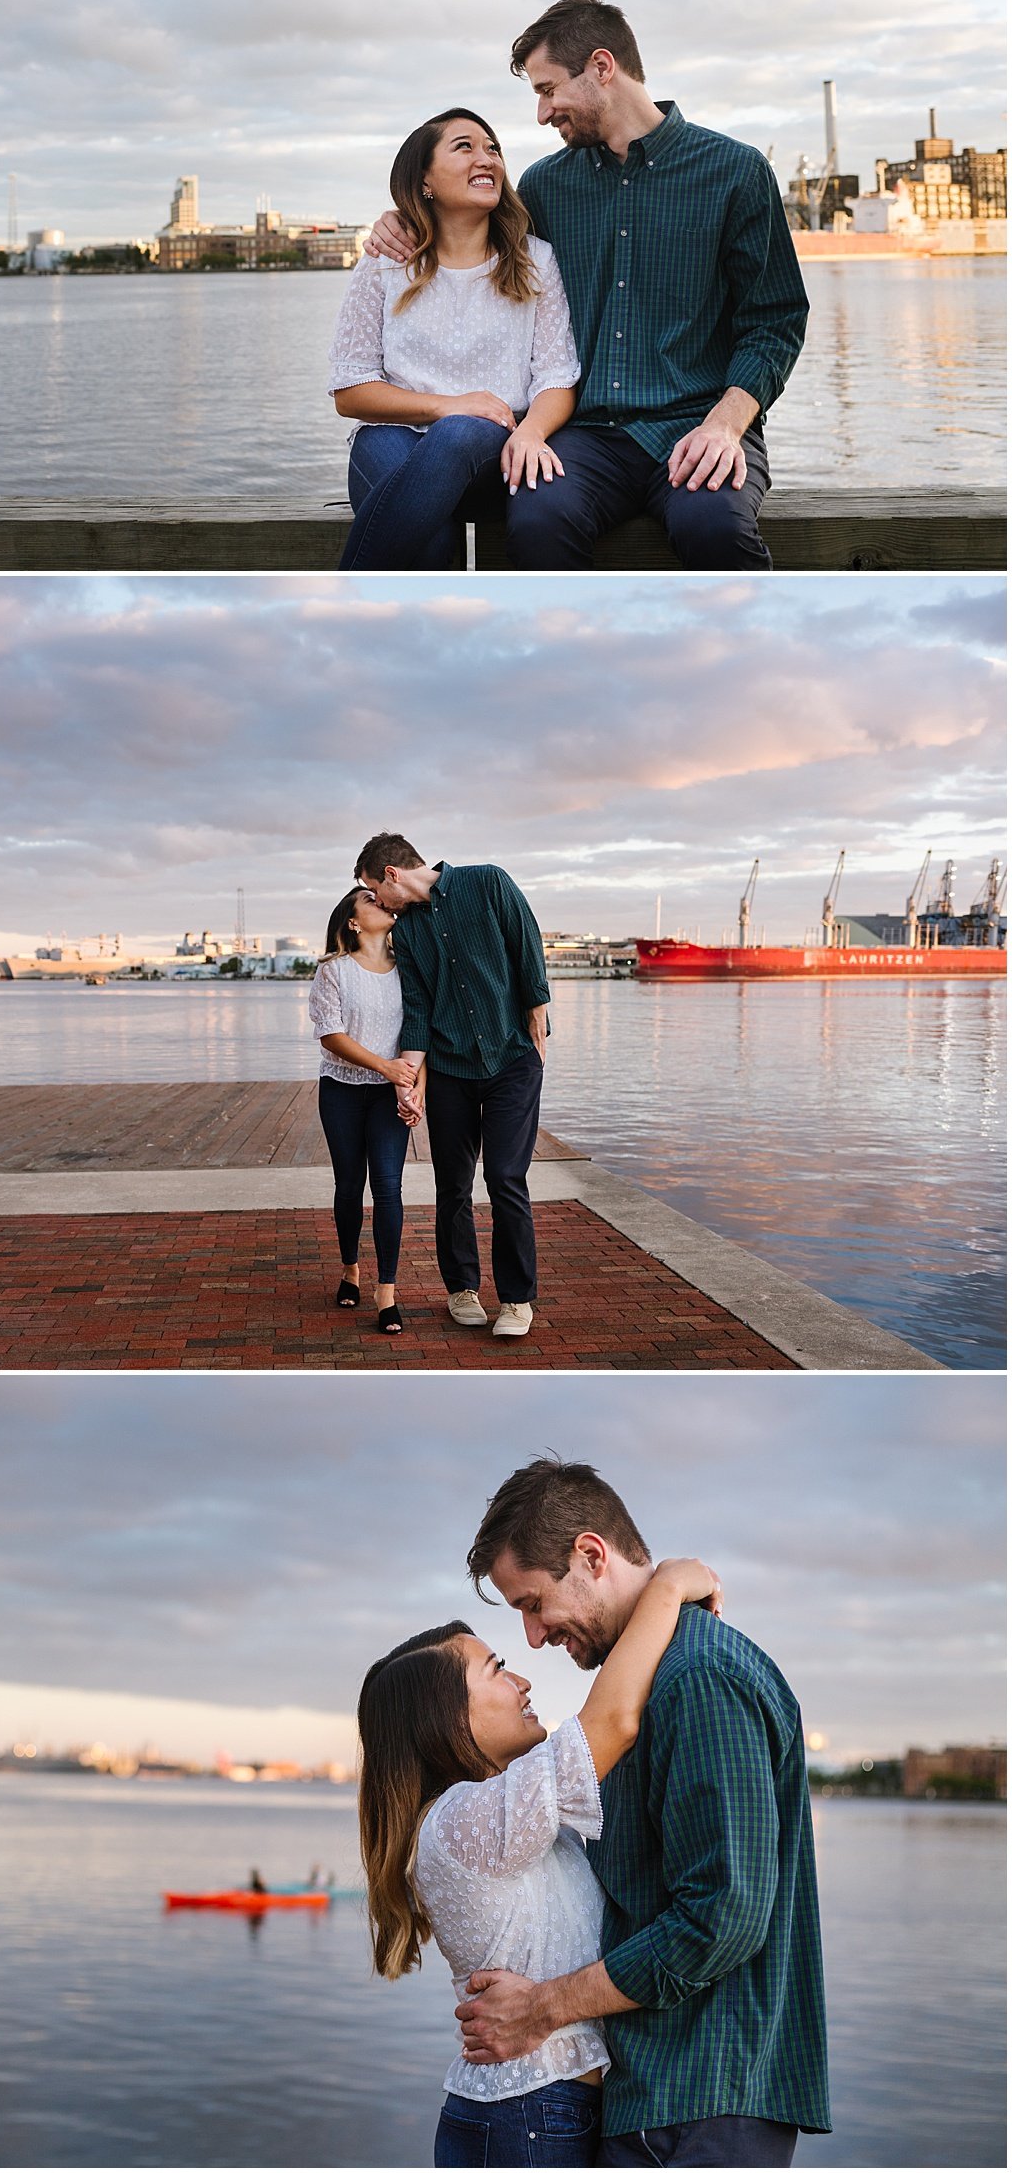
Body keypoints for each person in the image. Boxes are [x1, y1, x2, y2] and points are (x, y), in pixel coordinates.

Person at [456, 1460, 832, 2169]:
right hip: (663, 2096)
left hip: (701, 2102)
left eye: (534, 1603)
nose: (535, 1636)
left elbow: (723, 1914)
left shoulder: (698, 1677)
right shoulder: (655, 1677)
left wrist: (543, 2007)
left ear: (591, 1555)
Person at [366, 0, 809, 570]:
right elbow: (473, 235)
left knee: (715, 529)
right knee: (535, 520)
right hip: (586, 436)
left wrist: (726, 425)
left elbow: (775, 320)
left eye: (548, 89)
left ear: (602, 67)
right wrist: (401, 218)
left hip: (701, 423)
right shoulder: (545, 185)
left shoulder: (735, 170)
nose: (543, 113)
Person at [358, 1556, 723, 2169]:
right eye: (497, 1670)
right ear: (448, 1719)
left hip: (535, 2113)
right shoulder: (462, 1823)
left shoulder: (499, 1819)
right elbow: (612, 1721)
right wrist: (668, 1586)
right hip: (530, 2116)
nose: (523, 1682)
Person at [328, 108, 580, 569]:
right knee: (431, 539)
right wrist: (448, 404)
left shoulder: (535, 260)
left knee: (460, 433)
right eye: (464, 146)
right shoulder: (386, 262)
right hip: (393, 437)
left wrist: (531, 433)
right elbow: (350, 391)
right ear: (425, 178)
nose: (487, 159)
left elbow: (556, 378)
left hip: (492, 453)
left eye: (493, 149)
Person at [354, 835, 549, 1340]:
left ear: (392, 874)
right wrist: (406, 1077)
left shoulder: (487, 881)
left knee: (507, 1177)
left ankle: (516, 1300)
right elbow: (417, 1006)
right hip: (450, 1070)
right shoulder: (409, 931)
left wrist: (537, 1009)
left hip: (511, 1060)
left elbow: (526, 941)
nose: (375, 900)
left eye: (373, 888)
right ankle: (462, 1288)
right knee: (454, 1183)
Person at [307, 887, 422, 1336]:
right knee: (350, 1183)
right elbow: (331, 1034)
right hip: (341, 1089)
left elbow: (419, 1031)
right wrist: (388, 1068)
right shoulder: (333, 971)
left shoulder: (408, 970)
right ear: (353, 922)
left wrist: (413, 1089)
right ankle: (350, 1270)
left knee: (389, 1188)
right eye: (370, 901)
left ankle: (386, 1294)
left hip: (390, 1094)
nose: (383, 904)